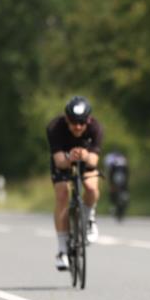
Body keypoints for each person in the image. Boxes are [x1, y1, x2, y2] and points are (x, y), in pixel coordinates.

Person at [46, 96, 103, 270]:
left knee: (92, 188)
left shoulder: (96, 128)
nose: (77, 127)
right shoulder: (55, 127)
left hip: (85, 161)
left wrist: (85, 156)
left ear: (89, 120)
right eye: (73, 122)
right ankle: (62, 250)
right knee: (62, 194)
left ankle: (89, 219)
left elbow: (93, 161)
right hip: (64, 160)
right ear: (66, 119)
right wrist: (71, 157)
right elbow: (58, 161)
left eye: (81, 123)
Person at [103, 149, 130, 220]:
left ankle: (116, 206)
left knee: (118, 192)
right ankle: (115, 206)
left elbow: (126, 174)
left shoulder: (115, 161)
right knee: (114, 192)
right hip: (117, 178)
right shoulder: (118, 161)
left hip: (120, 178)